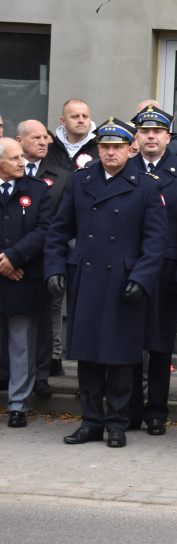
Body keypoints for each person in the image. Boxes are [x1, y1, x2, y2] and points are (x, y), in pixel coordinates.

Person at [44, 117, 167, 447]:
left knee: (121, 357)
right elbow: (58, 231)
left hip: (124, 282)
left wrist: (141, 278)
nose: (109, 153)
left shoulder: (147, 185)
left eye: (116, 147)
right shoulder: (80, 180)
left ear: (131, 148)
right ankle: (90, 421)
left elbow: (155, 242)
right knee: (88, 357)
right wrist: (54, 268)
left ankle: (117, 423)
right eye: (104, 147)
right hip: (87, 276)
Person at [125, 105, 177, 436]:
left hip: (166, 271)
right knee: (127, 342)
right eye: (145, 131)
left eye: (157, 131)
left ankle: (156, 411)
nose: (151, 136)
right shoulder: (125, 169)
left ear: (168, 137)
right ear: (136, 136)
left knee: (159, 345)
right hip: (128, 268)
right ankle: (128, 409)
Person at [12, 120, 69, 397]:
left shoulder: (60, 176)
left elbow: (56, 224)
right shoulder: (8, 175)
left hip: (43, 260)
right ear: (19, 141)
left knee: (45, 321)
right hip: (10, 263)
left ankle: (42, 374)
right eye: (36, 138)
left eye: (46, 138)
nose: (43, 142)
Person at [0, 137, 53, 427]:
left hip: (25, 279)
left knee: (22, 344)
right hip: (5, 272)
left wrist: (15, 257)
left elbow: (45, 229)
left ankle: (18, 405)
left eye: (22, 157)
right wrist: (3, 263)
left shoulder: (37, 190)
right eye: (15, 158)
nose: (23, 162)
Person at [49, 99, 99, 171]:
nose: (81, 120)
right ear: (63, 121)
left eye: (85, 116)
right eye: (75, 116)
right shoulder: (50, 150)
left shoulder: (100, 148)